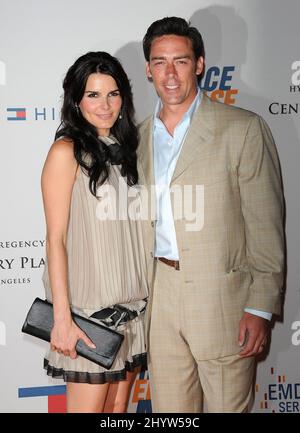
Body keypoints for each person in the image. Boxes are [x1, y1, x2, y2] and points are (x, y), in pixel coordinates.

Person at [138, 17, 284, 412]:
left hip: (223, 300)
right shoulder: (135, 139)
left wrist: (259, 307)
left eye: (181, 61)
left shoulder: (242, 129)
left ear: (200, 64)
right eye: (159, 62)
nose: (170, 74)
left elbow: (265, 225)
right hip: (159, 296)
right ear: (148, 68)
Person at [41, 51, 148, 413]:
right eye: (93, 95)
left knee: (117, 414)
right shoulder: (66, 152)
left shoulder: (131, 152)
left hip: (134, 315)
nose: (105, 105)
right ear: (76, 100)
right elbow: (55, 239)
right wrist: (62, 320)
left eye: (113, 94)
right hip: (89, 318)